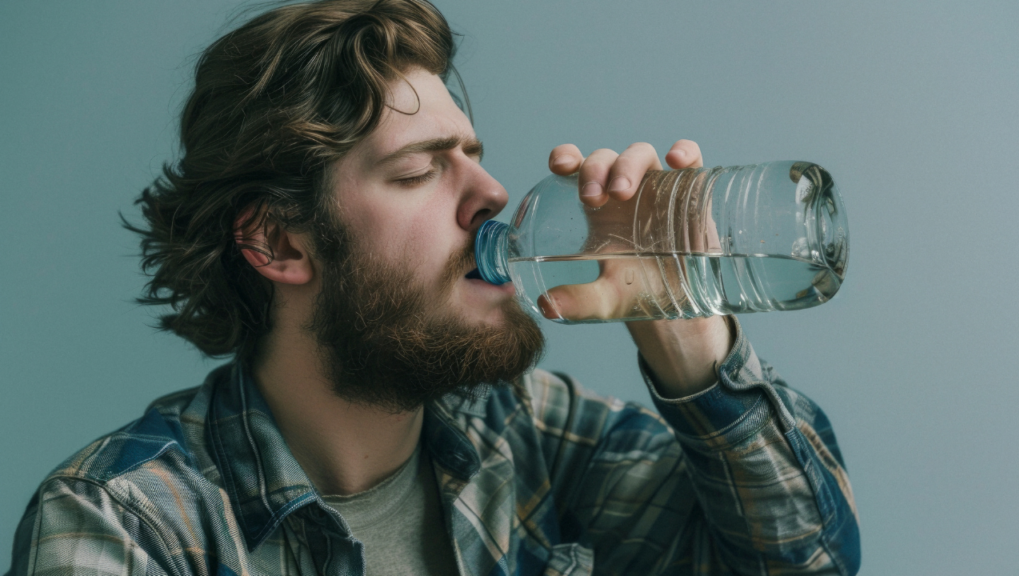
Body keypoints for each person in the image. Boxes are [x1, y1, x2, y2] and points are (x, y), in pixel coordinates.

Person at [5, 1, 859, 574]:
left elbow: (806, 560)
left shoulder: (525, 431)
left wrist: (686, 335)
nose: (490, 195)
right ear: (277, 240)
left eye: (474, 155)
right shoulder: (124, 525)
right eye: (421, 171)